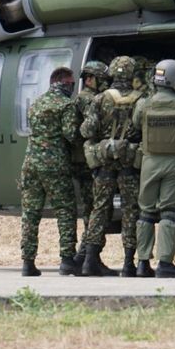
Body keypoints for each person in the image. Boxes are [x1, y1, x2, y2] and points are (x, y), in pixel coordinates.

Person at [132, 59, 175, 278]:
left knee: (145, 213)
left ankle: (142, 263)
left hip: (149, 162)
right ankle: (164, 264)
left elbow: (135, 123)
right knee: (169, 213)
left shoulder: (144, 104)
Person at [79, 56, 142, 277]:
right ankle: (128, 263)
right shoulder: (140, 99)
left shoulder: (100, 99)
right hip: (129, 163)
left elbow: (87, 131)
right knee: (130, 210)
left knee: (99, 209)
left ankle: (90, 260)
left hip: (104, 162)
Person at [19, 67, 81, 277]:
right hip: (54, 165)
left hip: (30, 164)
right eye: (72, 84)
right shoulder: (66, 105)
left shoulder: (36, 103)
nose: (72, 87)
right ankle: (66, 260)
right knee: (64, 210)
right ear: (65, 84)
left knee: (30, 213)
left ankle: (28, 263)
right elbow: (71, 135)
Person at [70, 61, 109, 261]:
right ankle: (86, 257)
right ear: (90, 79)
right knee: (94, 210)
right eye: (101, 79)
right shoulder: (87, 100)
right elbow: (90, 128)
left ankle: (84, 256)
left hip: (83, 161)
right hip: (86, 163)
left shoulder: (86, 98)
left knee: (92, 209)